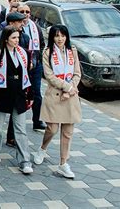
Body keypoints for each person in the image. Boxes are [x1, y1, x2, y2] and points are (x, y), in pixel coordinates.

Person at [32, 25, 81, 179]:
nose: (60, 39)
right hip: (55, 95)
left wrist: (71, 89)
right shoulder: (47, 53)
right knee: (52, 129)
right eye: (57, 36)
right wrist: (67, 87)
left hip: (70, 96)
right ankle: (42, 148)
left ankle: (63, 163)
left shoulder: (72, 51)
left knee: (67, 133)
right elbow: (49, 76)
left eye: (63, 36)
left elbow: (77, 73)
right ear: (52, 37)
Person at [0, 25, 33, 174]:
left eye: (18, 38)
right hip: (2, 95)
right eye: (13, 38)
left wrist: (29, 95)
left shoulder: (23, 53)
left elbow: (27, 76)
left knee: (21, 130)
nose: (16, 40)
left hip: (18, 95)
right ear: (6, 39)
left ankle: (25, 160)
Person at [19, 4, 46, 130]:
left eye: (27, 12)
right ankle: (17, 123)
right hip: (21, 67)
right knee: (20, 95)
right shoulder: (16, 28)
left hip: (36, 66)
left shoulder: (36, 27)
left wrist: (37, 58)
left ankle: (37, 120)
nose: (25, 14)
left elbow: (42, 44)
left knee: (37, 95)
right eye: (22, 11)